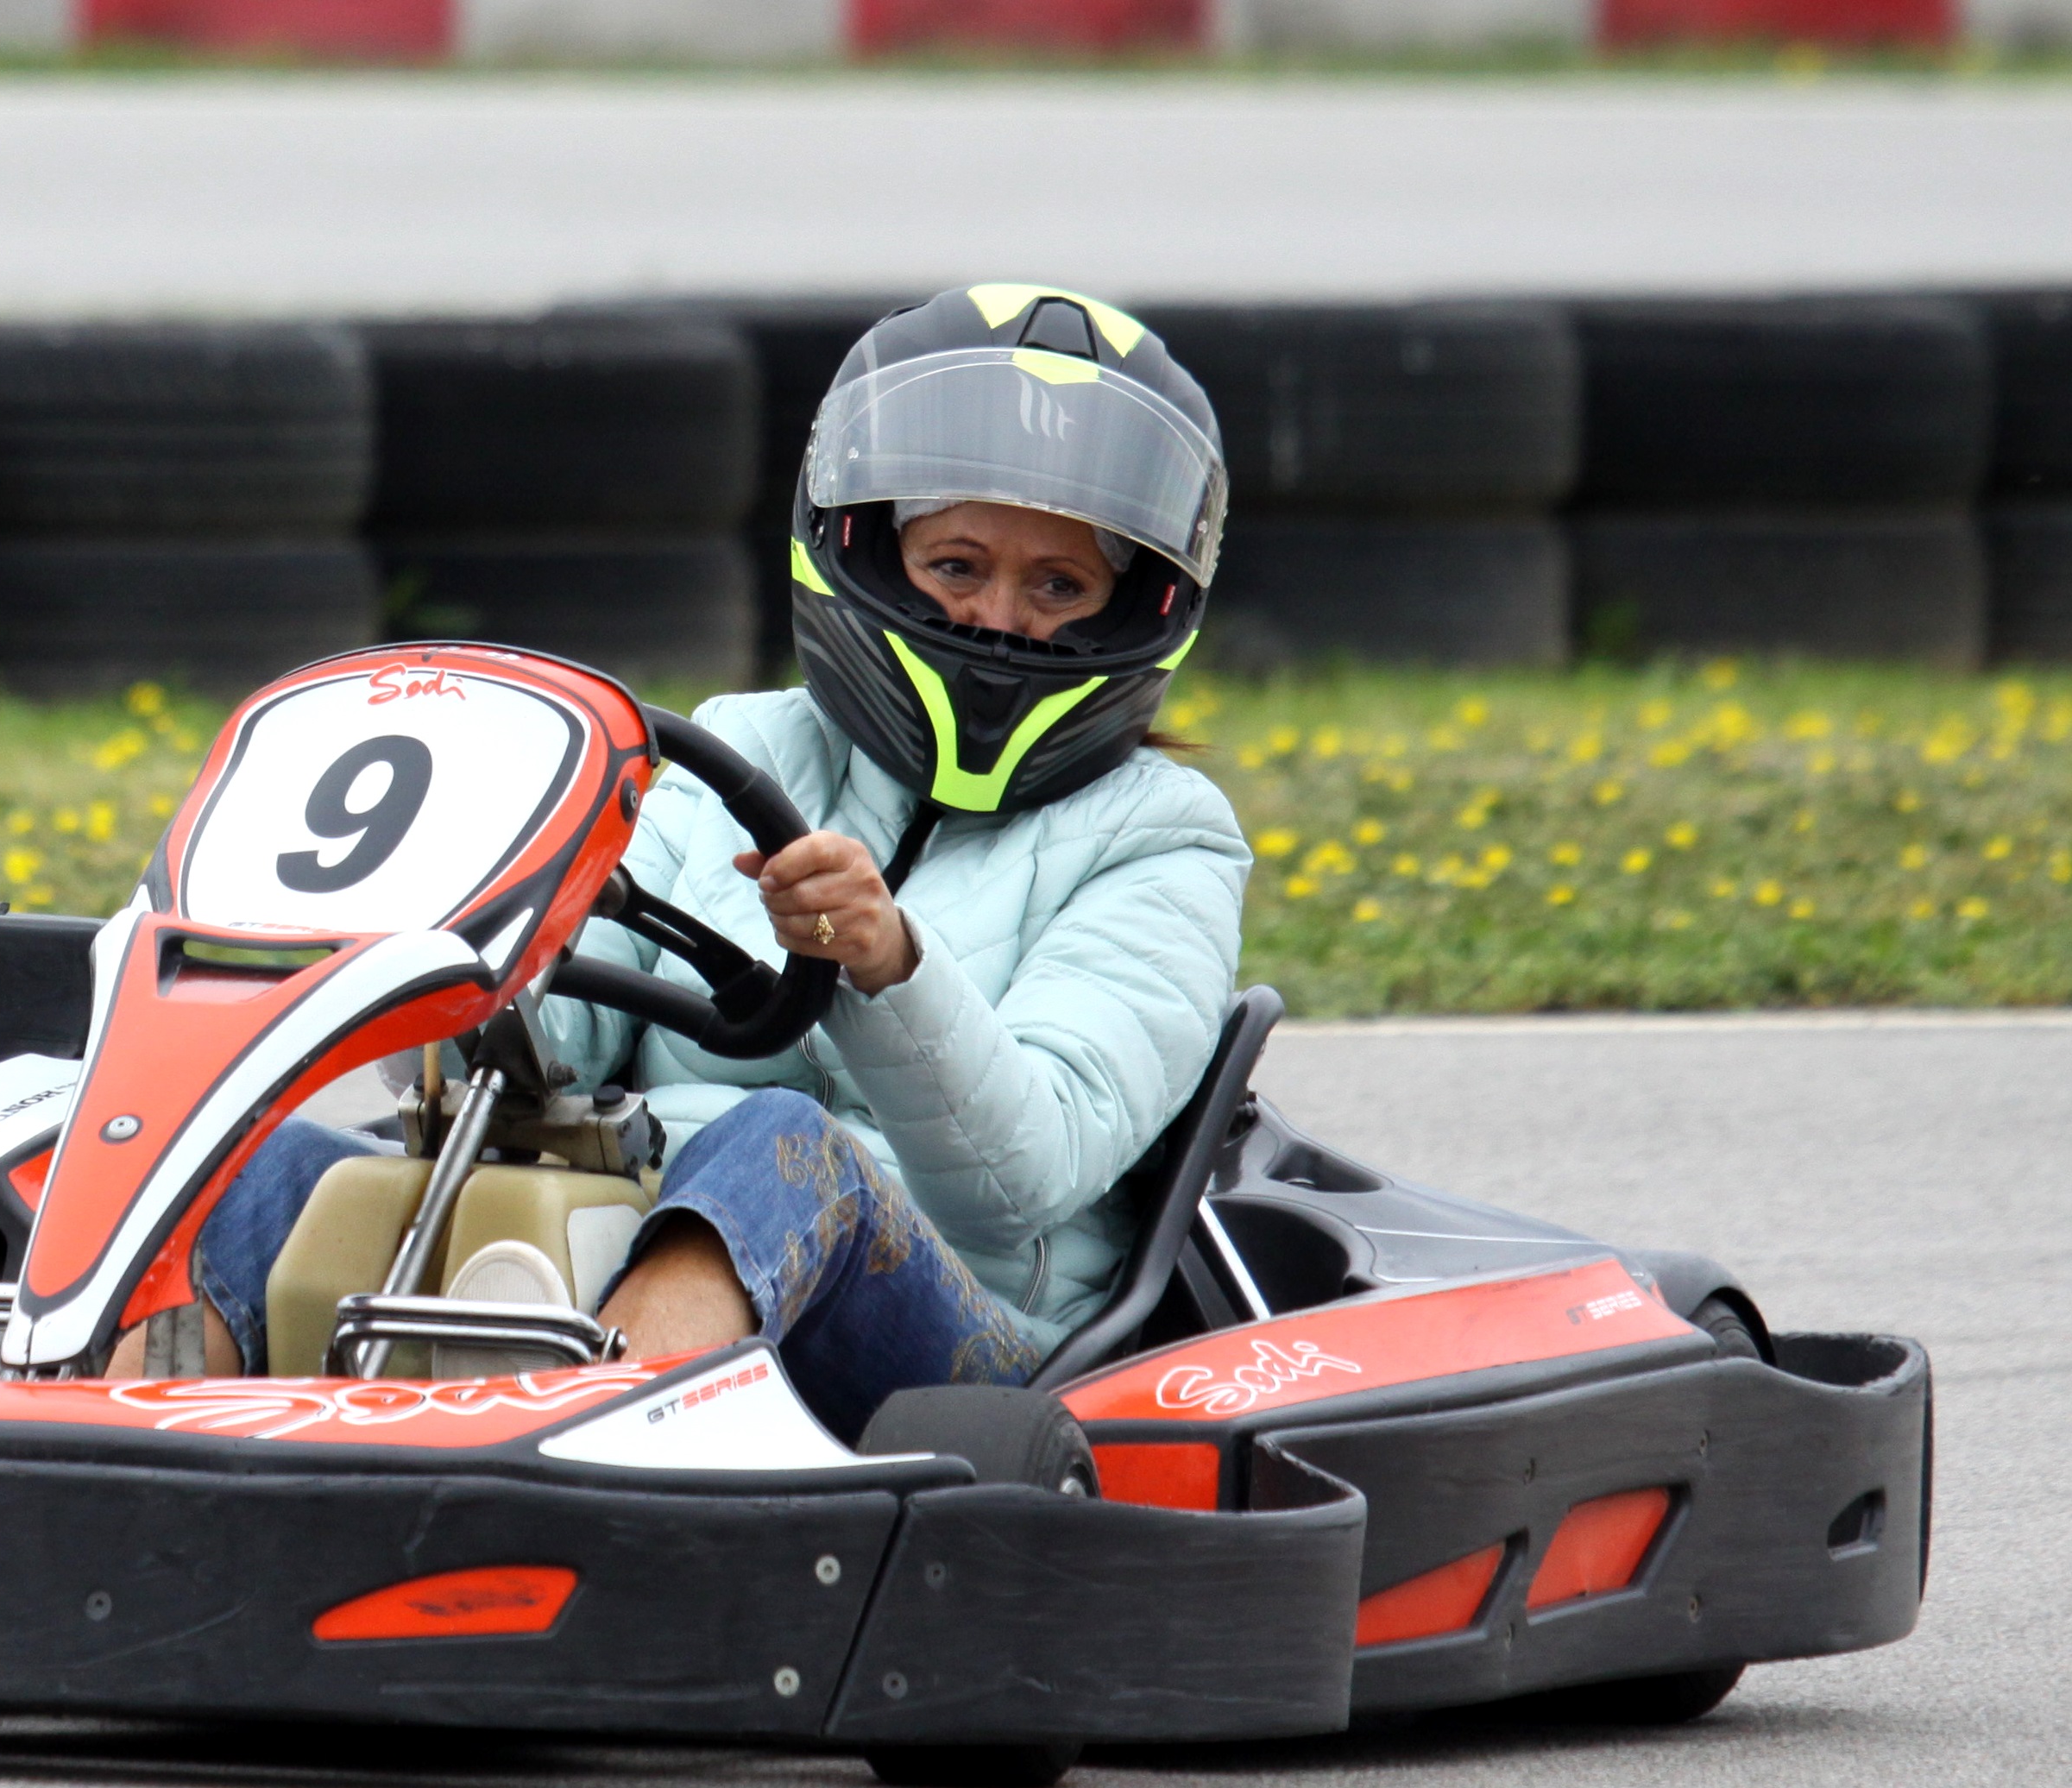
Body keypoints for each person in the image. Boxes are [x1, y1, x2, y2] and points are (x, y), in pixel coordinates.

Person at [132, 282, 1251, 1442]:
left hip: (972, 1342)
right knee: (267, 1165)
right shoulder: (746, 749)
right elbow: (561, 1046)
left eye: (1059, 587)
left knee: (782, 1148)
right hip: (624, 1234)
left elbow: (1024, 1180)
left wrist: (888, 965)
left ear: (1137, 607)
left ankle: (568, 1457)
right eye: (956, 566)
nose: (997, 621)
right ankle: (125, 1455)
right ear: (870, 549)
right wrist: (461, 946)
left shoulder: (1165, 838)